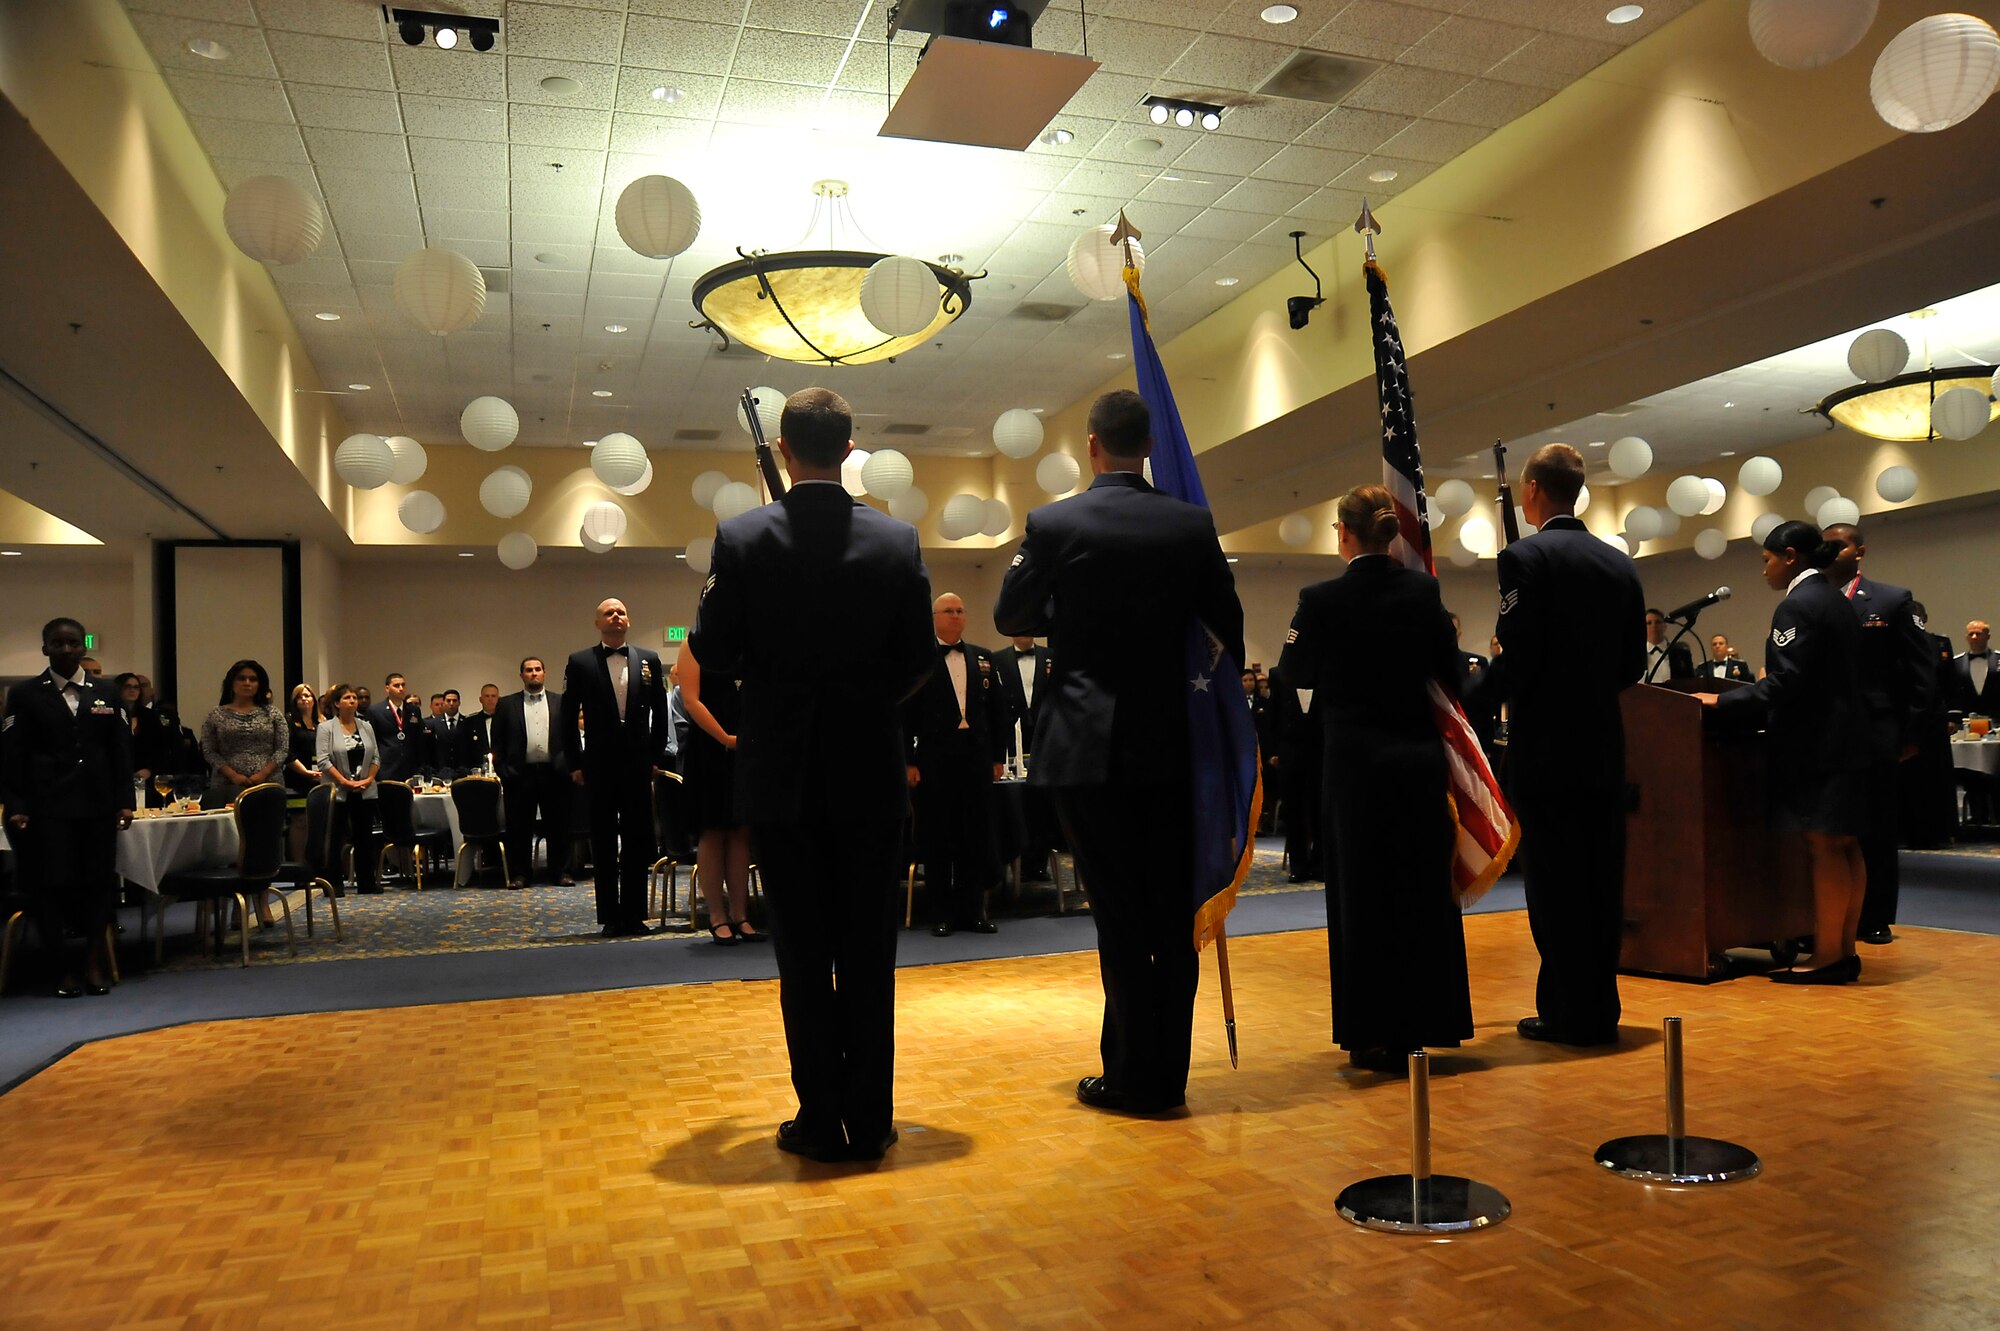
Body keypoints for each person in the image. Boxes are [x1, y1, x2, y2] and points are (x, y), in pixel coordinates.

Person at [689, 385, 935, 1163]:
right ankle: (871, 1119)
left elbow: (715, 651)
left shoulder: (742, 536)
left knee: (802, 955)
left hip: (783, 775)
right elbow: (920, 659)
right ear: (851, 449)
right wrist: (864, 703)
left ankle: (819, 1118)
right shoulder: (898, 542)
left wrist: (779, 683)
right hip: (869, 771)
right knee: (869, 952)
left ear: (785, 453)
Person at [994, 388, 1243, 1116]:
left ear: (1092, 445)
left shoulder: (1054, 521)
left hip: (1085, 746)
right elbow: (1226, 624)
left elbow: (1011, 614)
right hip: (1171, 743)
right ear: (1150, 448)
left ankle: (1129, 1074)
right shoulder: (1191, 524)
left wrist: (1067, 609)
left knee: (1119, 915)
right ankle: (1165, 1076)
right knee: (1171, 911)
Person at [1278, 485, 1473, 1072]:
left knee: (1361, 896)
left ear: (1343, 532)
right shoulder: (1423, 590)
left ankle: (1370, 1030)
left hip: (1355, 767)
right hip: (1415, 762)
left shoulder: (1319, 599)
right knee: (1419, 891)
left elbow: (1293, 670)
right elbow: (1451, 671)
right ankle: (1424, 1020)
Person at [1486, 443, 1645, 1046]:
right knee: (1601, 881)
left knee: (1553, 886)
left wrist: (1470, 696)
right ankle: (1599, 1006)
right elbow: (1632, 663)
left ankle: (1563, 1011)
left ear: (1531, 491)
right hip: (1603, 743)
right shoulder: (1618, 563)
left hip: (1546, 747)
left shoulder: (1524, 557)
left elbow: (1519, 656)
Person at [1700, 521, 1869, 984]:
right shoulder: (1837, 600)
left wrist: (1723, 700)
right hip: (1849, 740)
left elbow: (1786, 683)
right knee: (1846, 846)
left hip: (1815, 746)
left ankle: (1829, 956)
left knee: (1825, 848)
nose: (1764, 570)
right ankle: (1845, 949)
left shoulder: (1797, 606)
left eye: (1766, 559)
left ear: (1790, 556)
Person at [2, 617, 133, 997]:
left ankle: (93, 962)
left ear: (83, 647)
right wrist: (17, 805)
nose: (66, 650)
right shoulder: (26, 695)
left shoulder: (107, 692)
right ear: (45, 648)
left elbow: (120, 752)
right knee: (51, 886)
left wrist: (125, 801)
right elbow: (14, 756)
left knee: (98, 885)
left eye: (73, 643)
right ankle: (61, 967)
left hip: (97, 806)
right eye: (57, 644)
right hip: (47, 808)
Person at [1825, 523, 1935, 945]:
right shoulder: (1809, 601)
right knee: (1833, 829)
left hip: (1876, 733)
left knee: (1876, 828)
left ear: (1860, 551)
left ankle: (1874, 915)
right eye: (1827, 545)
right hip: (1828, 734)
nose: (1833, 551)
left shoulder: (1890, 599)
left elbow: (1919, 672)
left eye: (1841, 545)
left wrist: (1912, 732)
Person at [903, 592, 1013, 936]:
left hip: (976, 759)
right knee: (938, 838)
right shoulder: (919, 659)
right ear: (934, 617)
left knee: (975, 838)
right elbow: (905, 716)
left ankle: (973, 912)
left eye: (960, 611)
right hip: (935, 760)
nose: (955, 616)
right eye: (948, 611)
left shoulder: (983, 657)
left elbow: (999, 712)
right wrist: (908, 761)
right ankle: (940, 913)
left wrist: (998, 757)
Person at [562, 597, 671, 937]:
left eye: (621, 611)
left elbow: (660, 713)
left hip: (638, 765)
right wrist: (575, 762)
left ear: (629, 620)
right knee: (604, 841)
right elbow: (567, 717)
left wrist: (654, 757)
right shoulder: (579, 662)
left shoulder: (649, 659)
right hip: (598, 764)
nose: (616, 616)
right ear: (597, 623)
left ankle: (636, 915)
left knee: (638, 839)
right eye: (608, 612)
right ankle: (610, 915)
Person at [677, 644, 763, 945]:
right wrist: (725, 738)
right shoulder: (694, 646)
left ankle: (741, 914)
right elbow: (691, 700)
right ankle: (717, 915)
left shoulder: (754, 642)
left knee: (741, 830)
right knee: (713, 830)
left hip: (750, 747)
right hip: (710, 748)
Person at [315, 683, 381, 895]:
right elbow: (324, 761)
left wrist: (368, 779)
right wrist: (345, 782)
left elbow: (376, 757)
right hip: (338, 790)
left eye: (354, 697)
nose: (353, 701)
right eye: (347, 698)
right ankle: (334, 884)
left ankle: (366, 883)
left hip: (364, 789)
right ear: (336, 703)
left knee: (364, 838)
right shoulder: (326, 728)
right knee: (335, 838)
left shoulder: (366, 726)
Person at [364, 673, 419, 782]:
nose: (401, 688)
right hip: (386, 767)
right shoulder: (375, 711)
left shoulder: (414, 710)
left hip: (410, 767)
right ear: (387, 688)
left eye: (403, 685)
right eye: (397, 686)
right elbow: (371, 741)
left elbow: (418, 739)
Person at [1950, 619, 1998, 714]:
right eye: (1971, 634)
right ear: (1966, 637)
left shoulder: (1998, 659)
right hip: (1965, 720)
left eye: (1978, 634)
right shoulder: (1956, 663)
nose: (1974, 637)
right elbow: (1950, 693)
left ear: (1988, 636)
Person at [284, 683, 322, 795]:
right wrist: (304, 772)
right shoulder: (289, 720)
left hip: (320, 776)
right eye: (299, 697)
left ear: (314, 699)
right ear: (295, 701)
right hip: (296, 776)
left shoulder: (322, 722)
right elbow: (287, 751)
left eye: (307, 695)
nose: (303, 699)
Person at [1642, 608, 1695, 683]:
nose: (1654, 626)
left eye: (1658, 622)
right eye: (1649, 623)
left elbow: (1690, 681)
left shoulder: (1681, 652)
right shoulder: (1635, 654)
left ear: (1665, 626)